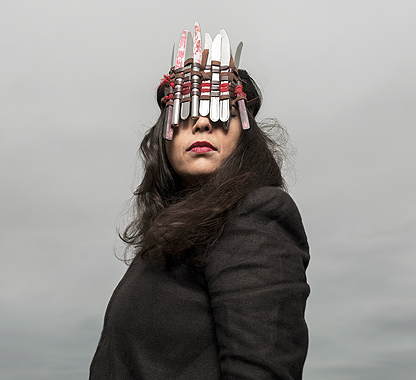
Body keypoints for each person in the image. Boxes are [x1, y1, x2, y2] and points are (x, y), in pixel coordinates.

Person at [89, 24, 310, 380]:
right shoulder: (165, 244)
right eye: (185, 112)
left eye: (221, 109)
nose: (203, 123)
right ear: (165, 133)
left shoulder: (257, 215)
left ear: (245, 130)